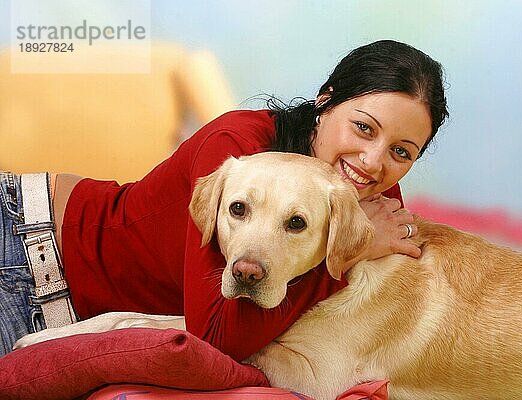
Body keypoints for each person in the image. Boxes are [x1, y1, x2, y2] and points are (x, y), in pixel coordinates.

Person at [0, 40, 448, 359]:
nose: (372, 162)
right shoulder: (238, 149)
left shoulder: (361, 190)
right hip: (26, 248)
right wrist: (351, 259)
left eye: (401, 151)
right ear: (325, 100)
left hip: (71, 300)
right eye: (364, 127)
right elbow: (216, 335)